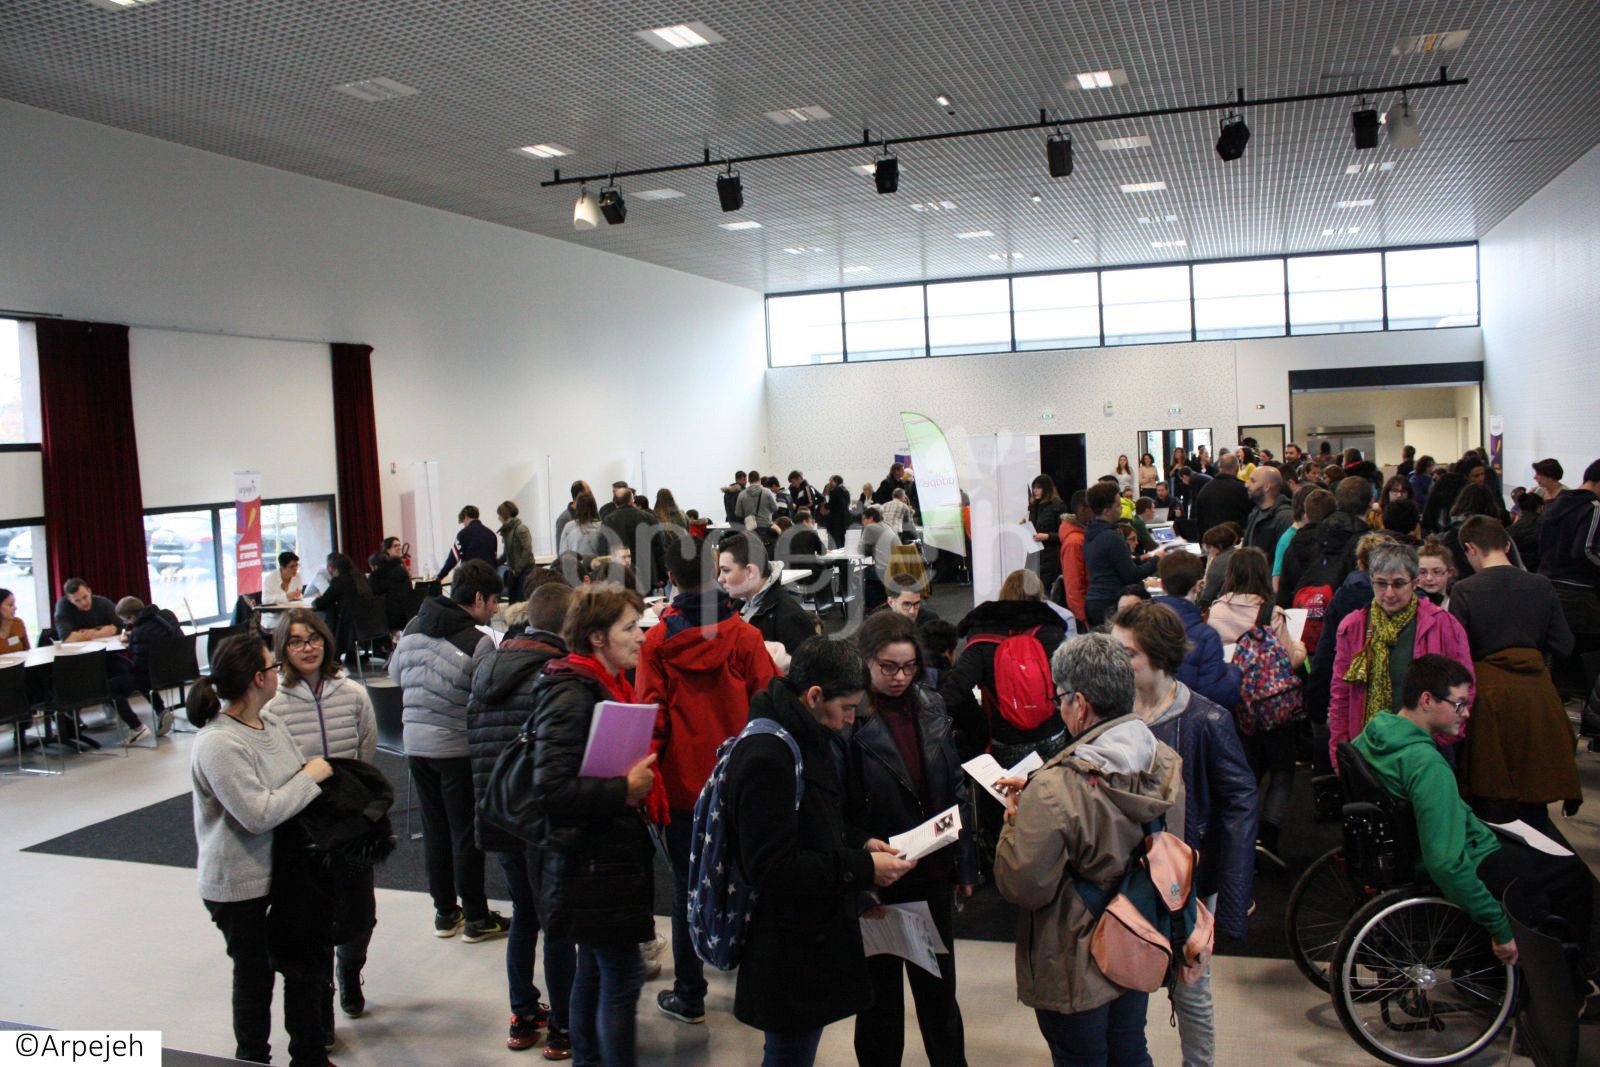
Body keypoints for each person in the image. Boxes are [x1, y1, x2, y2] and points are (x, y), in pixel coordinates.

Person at [993, 633, 1184, 1067]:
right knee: (1130, 1049)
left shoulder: (1056, 786)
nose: (1059, 708)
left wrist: (1015, 822)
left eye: (1060, 698)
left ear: (1080, 703)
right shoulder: (1162, 760)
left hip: (1074, 954)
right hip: (1139, 932)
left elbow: (1024, 885)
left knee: (1080, 1056)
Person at [725, 636, 914, 1066]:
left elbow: (816, 820)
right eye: (847, 707)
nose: (850, 720)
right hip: (787, 945)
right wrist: (862, 869)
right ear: (813, 696)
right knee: (790, 1053)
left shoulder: (802, 735)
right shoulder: (768, 754)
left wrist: (859, 841)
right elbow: (771, 867)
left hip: (809, 934)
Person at [1352, 655, 1594, 981]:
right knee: (1571, 875)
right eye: (1459, 704)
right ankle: (1573, 980)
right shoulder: (1428, 766)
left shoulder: (1375, 732)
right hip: (1465, 856)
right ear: (1427, 700)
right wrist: (1498, 924)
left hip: (1411, 846)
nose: (1465, 714)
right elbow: (1445, 862)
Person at [636, 538, 777, 1028]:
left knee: (685, 891)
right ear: (716, 576)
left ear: (670, 578)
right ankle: (753, 983)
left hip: (683, 788)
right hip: (741, 784)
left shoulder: (656, 644)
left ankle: (690, 993)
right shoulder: (745, 637)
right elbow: (767, 708)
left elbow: (649, 721)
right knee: (752, 881)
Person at [1112, 603, 1256, 1066]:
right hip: (1122, 874)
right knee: (1123, 980)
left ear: (1157, 656)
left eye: (1127, 654)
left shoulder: (1206, 720)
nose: (1117, 663)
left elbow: (1239, 803)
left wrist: (1229, 893)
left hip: (1184, 878)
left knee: (1191, 989)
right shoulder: (1113, 713)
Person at [522, 583, 657, 1067]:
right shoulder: (570, 692)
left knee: (599, 974)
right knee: (621, 978)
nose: (641, 638)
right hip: (588, 861)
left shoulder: (601, 685)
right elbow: (550, 790)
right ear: (597, 638)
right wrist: (624, 788)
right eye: (629, 628)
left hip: (601, 858)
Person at [189, 634, 334, 1067]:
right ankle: (252, 1058)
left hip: (284, 873)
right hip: (238, 884)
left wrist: (305, 782)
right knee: (255, 979)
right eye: (273, 667)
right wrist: (311, 777)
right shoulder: (217, 743)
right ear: (258, 678)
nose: (279, 674)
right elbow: (258, 813)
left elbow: (289, 791)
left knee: (303, 969)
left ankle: (309, 1056)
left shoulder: (270, 724)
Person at [846, 612, 977, 1067]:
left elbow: (955, 788)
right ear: (865, 661)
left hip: (931, 872)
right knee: (879, 1005)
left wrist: (965, 862)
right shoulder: (849, 720)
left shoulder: (931, 704)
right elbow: (839, 808)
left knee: (940, 996)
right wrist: (862, 855)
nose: (900, 677)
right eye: (888, 667)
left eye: (908, 667)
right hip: (878, 879)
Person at [467, 581, 579, 1057]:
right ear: (568, 625)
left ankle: (523, 1015)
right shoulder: (555, 674)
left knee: (524, 916)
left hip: (496, 810)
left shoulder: (485, 665)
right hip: (541, 814)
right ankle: (563, 1028)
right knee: (555, 922)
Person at [267, 608, 379, 1035]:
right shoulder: (275, 704)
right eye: (296, 641)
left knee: (360, 915)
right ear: (284, 649)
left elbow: (366, 746)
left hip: (352, 819)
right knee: (315, 920)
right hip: (303, 825)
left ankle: (350, 970)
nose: (307, 648)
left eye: (313, 639)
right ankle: (323, 998)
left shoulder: (351, 692)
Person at [388, 559, 509, 943]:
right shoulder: (479, 641)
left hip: (414, 744)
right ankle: (476, 916)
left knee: (435, 828)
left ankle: (445, 912)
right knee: (464, 833)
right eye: (493, 602)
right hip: (456, 745)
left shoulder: (411, 627)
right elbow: (488, 692)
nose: (495, 609)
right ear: (477, 598)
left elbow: (394, 675)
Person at [1449, 516, 1579, 826]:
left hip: (1488, 700)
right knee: (1535, 789)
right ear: (1507, 544)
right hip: (1538, 696)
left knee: (1491, 791)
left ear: (1470, 549)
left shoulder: (1464, 590)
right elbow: (1564, 644)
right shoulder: (1541, 585)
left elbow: (1457, 654)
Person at [1329, 540, 1472, 769]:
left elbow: (1466, 689)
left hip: (1429, 749)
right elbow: (1341, 695)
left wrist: (1443, 738)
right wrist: (1339, 751)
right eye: (1380, 584)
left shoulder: (1443, 625)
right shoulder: (1353, 626)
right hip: (1368, 748)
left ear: (1415, 583)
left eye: (1398, 584)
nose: (1389, 593)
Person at [940, 569, 1070, 768]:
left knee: (1010, 794)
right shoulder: (1052, 632)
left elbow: (953, 693)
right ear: (1039, 595)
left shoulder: (982, 638)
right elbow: (1070, 683)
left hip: (1006, 739)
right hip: (1052, 733)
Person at [1153, 551, 1240, 711]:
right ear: (1199, 585)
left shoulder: (1137, 624)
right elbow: (1214, 695)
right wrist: (1234, 673)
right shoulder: (1207, 636)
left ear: (1162, 585)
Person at [1277, 476, 1372, 608]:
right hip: (1347, 617)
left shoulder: (1303, 538)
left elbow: (1285, 590)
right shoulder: (1366, 544)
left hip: (1304, 616)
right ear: (1370, 504)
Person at [719, 533, 815, 655]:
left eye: (726, 570)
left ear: (750, 571)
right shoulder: (739, 605)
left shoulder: (790, 618)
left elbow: (805, 671)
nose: (720, 579)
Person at [1082, 482, 1157, 626]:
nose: (1121, 508)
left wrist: (1141, 559)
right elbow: (1131, 575)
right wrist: (1157, 560)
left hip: (1094, 601)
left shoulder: (1090, 533)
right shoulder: (1111, 536)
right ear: (1106, 511)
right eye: (1117, 505)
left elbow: (1115, 564)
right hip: (1110, 601)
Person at [114, 595, 184, 742]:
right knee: (139, 675)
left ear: (131, 616)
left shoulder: (140, 632)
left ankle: (136, 727)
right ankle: (161, 712)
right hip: (181, 668)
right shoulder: (167, 615)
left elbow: (139, 665)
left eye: (126, 620)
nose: (127, 624)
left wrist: (132, 642)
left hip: (158, 676)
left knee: (113, 686)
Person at [310, 553, 370, 656]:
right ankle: (350, 656)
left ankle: (332, 654)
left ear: (331, 568)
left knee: (331, 611)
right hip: (368, 622)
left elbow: (322, 603)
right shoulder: (361, 577)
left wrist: (315, 600)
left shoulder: (339, 581)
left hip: (349, 624)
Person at [1057, 490, 1091, 628]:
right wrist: (1084, 619)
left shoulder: (1080, 537)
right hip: (1085, 617)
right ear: (1083, 510)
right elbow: (1074, 586)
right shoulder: (1074, 542)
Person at [1027, 474, 1066, 592]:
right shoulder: (1034, 505)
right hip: (1035, 552)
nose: (1035, 491)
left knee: (1047, 589)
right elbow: (1034, 527)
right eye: (1034, 488)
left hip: (1050, 554)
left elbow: (1064, 534)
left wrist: (1047, 536)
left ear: (1047, 489)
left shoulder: (1057, 506)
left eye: (1038, 488)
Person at [1242, 465, 1293, 559]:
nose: (1246, 484)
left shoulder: (1285, 517)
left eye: (1252, 481)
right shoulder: (1255, 512)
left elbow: (1286, 557)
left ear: (1266, 487)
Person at [439, 504, 498, 580]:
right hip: (489, 579)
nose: (464, 525)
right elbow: (494, 559)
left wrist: (440, 576)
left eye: (463, 522)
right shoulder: (491, 534)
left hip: (471, 579)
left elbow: (453, 559)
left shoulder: (463, 534)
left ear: (466, 517)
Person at [53, 577, 119, 643]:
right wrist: (99, 633)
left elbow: (122, 627)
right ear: (70, 600)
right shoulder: (63, 606)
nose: (84, 603)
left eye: (85, 597)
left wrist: (82, 635)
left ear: (89, 591)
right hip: (77, 652)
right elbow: (65, 637)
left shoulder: (104, 603)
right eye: (77, 601)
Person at [367, 537, 413, 631]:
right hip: (407, 612)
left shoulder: (378, 575)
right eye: (395, 546)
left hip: (391, 616)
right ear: (387, 550)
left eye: (399, 545)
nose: (399, 548)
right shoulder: (400, 569)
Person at [1195, 522, 1242, 611]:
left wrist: (1198, 592)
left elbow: (1207, 596)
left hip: (1224, 607)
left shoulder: (1219, 562)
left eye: (1209, 547)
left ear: (1218, 546)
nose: (1208, 550)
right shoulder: (1240, 554)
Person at [497, 501, 534, 593]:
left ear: (504, 514)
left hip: (524, 572)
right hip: (515, 574)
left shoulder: (521, 529)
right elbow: (506, 554)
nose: (498, 518)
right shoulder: (507, 531)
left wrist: (516, 570)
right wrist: (494, 562)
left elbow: (527, 550)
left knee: (521, 602)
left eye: (499, 515)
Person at [557, 491, 606, 559]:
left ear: (578, 507)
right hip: (596, 567)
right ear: (594, 507)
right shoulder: (602, 526)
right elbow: (606, 554)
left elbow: (563, 553)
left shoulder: (569, 527)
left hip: (575, 567)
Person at [1508, 490, 1543, 572]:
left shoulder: (1511, 528)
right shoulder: (1545, 525)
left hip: (1517, 567)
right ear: (1541, 507)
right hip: (1538, 568)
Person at [1416, 538, 1455, 609]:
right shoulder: (1411, 603)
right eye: (1422, 572)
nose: (1429, 578)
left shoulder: (1460, 600)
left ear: (1449, 572)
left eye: (1436, 572)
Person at [556, 480, 592, 546]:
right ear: (580, 495)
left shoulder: (591, 515)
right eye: (589, 492)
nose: (591, 496)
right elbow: (561, 550)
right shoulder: (563, 519)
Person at [823, 474, 852, 550]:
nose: (830, 483)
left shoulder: (834, 491)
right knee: (842, 539)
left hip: (834, 520)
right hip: (844, 519)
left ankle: (835, 558)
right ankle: (843, 556)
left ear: (835, 481)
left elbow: (829, 506)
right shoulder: (846, 491)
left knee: (834, 540)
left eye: (831, 481)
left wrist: (825, 503)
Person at [0, 587, 29, 652]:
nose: (15, 608)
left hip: (20, 662)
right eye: (10, 605)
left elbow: (27, 651)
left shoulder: (18, 623)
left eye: (14, 604)